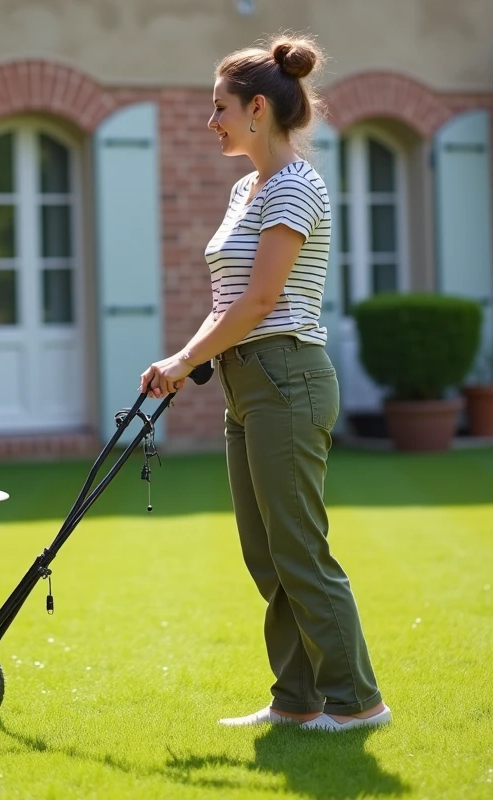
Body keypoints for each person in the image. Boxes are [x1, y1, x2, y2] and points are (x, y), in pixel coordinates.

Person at [139, 33, 390, 732]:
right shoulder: (244, 190)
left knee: (301, 550)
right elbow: (228, 303)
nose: (209, 121)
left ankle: (358, 702)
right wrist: (185, 358)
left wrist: (182, 362)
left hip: (287, 375)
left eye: (218, 108)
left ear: (256, 109)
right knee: (266, 553)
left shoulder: (296, 188)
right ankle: (297, 700)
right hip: (244, 382)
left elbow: (257, 302)